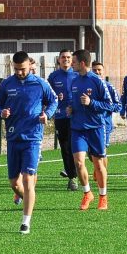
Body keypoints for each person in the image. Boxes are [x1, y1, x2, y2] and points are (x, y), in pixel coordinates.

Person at [0, 51, 58, 234]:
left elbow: (53, 101)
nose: (20, 72)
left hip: (33, 137)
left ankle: (25, 222)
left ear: (29, 65)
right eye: (16, 69)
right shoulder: (7, 84)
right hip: (13, 137)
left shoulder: (40, 83)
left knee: (28, 179)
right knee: (14, 183)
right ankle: (29, 198)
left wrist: (47, 115)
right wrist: (0, 113)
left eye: (22, 69)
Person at [67, 49, 115, 210]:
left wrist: (92, 103)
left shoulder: (98, 81)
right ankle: (87, 193)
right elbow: (73, 102)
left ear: (81, 63)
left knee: (98, 163)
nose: (70, 64)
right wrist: (71, 109)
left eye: (73, 61)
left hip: (95, 128)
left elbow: (110, 105)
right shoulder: (74, 81)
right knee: (79, 163)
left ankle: (103, 196)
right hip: (77, 128)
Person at [47, 50, 78, 191]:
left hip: (75, 116)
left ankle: (75, 174)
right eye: (63, 57)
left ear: (72, 60)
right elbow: (47, 96)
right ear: (58, 60)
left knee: (74, 147)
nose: (66, 59)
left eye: (68, 57)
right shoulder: (53, 77)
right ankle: (72, 176)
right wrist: (55, 98)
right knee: (65, 147)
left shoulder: (77, 74)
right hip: (60, 116)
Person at [90, 61, 121, 186]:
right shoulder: (89, 86)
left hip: (104, 125)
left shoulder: (109, 87)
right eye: (95, 70)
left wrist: (103, 107)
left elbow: (118, 106)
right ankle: (98, 168)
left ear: (103, 72)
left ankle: (102, 173)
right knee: (91, 153)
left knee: (102, 152)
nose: (97, 72)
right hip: (90, 124)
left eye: (99, 70)